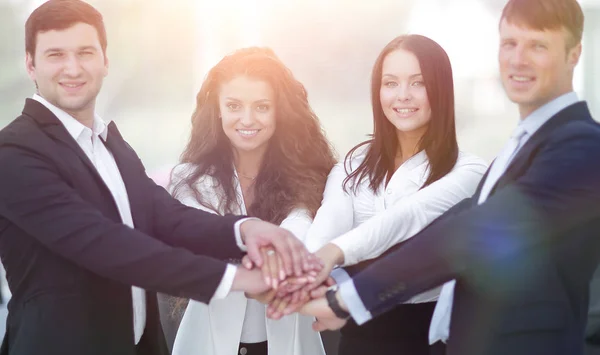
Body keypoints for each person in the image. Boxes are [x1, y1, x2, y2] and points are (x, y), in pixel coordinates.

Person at [0, 1, 318, 355]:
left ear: (105, 61)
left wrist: (245, 230)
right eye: (55, 54)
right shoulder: (13, 153)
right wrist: (239, 279)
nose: (72, 68)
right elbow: (106, 245)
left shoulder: (111, 146)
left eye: (85, 53)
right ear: (30, 64)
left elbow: (166, 217)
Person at [299, 0, 600, 354]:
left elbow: (461, 237)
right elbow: (461, 222)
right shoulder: (521, 147)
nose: (518, 59)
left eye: (538, 45)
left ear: (574, 54)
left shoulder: (580, 144)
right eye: (509, 44)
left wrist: (346, 294)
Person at [266, 34, 487, 355]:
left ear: (441, 89)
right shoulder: (353, 164)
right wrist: (302, 278)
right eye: (391, 83)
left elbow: (406, 219)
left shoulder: (467, 172)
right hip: (356, 335)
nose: (402, 96)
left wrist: (332, 256)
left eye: (418, 83)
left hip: (425, 339)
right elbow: (327, 226)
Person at [169, 47, 335, 355]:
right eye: (233, 105)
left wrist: (279, 249)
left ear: (279, 111)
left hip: (292, 342)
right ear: (217, 109)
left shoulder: (310, 177)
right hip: (206, 344)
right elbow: (205, 239)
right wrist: (277, 257)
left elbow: (302, 224)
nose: (247, 119)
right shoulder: (188, 178)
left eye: (262, 106)